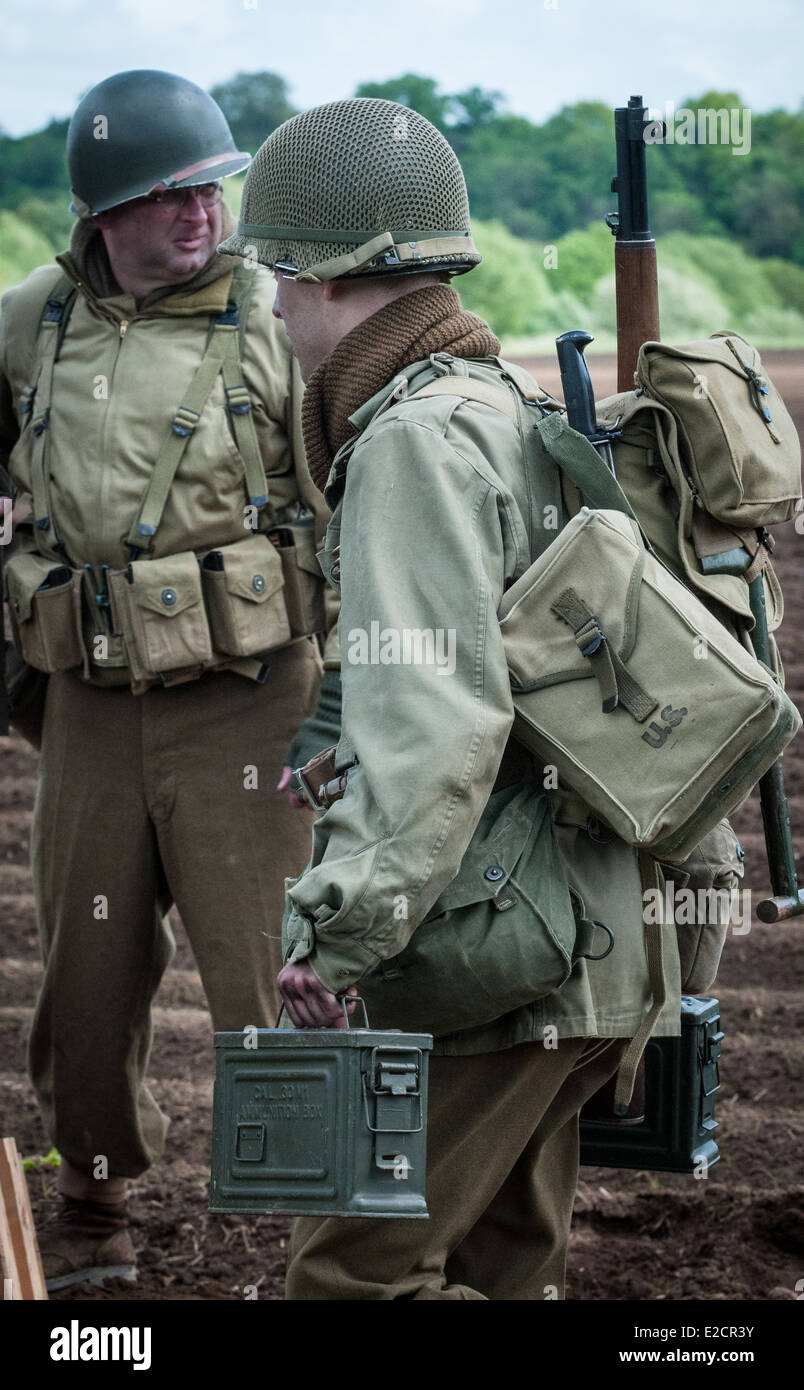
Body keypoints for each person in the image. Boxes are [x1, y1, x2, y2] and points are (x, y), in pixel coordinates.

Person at [218, 96, 711, 1301]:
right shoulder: (507, 409)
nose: (275, 317)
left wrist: (343, 929)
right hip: (592, 944)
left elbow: (433, 719)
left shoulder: (413, 441)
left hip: (502, 958)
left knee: (352, 1279)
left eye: (276, 283)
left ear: (321, 275)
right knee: (504, 1271)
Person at [0, 70, 337, 1291]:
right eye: (165, 194)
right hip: (88, 705)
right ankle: (92, 1212)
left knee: (281, 968)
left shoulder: (282, 317)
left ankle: (332, 1240)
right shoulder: (32, 321)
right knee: (85, 979)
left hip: (254, 699)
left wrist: (354, 702)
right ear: (104, 213)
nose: (197, 212)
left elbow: (358, 505)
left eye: (210, 186)